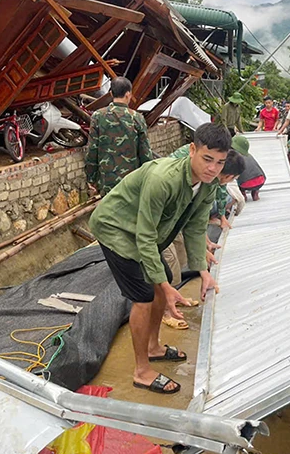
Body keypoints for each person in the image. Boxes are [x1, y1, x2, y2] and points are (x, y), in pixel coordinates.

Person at [88, 123, 228, 395]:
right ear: (192, 150)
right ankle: (142, 371)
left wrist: (203, 271)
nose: (213, 168)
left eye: (220, 162)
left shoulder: (208, 184)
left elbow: (195, 227)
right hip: (116, 228)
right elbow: (145, 235)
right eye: (207, 159)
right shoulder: (164, 179)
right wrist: (163, 285)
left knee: (163, 283)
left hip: (142, 231)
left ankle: (153, 347)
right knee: (144, 296)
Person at [160, 148, 244, 330]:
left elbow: (196, 220)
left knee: (180, 255)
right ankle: (166, 311)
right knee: (169, 264)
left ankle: (174, 296)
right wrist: (202, 251)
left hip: (175, 220)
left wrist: (203, 247)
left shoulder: (209, 181)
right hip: (159, 223)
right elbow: (185, 216)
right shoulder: (183, 177)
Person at [85, 77, 152, 196]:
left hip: (106, 182)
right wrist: (148, 178)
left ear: (111, 93)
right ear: (128, 94)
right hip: (132, 182)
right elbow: (145, 153)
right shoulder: (137, 118)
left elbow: (92, 150)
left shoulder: (98, 116)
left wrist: (91, 178)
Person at [231, 136, 266, 201]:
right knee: (253, 177)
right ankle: (255, 192)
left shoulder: (234, 157)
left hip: (245, 183)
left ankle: (243, 194)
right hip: (261, 180)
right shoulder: (249, 155)